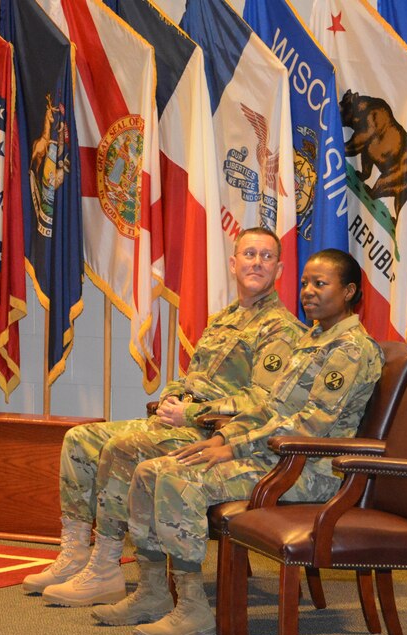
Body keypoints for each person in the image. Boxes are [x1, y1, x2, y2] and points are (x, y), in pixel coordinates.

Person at [89, 249, 384, 635]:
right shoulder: (312, 338)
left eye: (320, 284)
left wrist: (235, 448)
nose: (308, 292)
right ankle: (154, 593)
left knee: (180, 480)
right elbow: (268, 406)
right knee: (148, 472)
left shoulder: (350, 348)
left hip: (312, 470)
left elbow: (310, 425)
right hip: (274, 455)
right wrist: (223, 437)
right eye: (304, 283)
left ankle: (194, 611)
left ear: (349, 291)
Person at [25, 228, 305, 605]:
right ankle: (75, 553)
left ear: (280, 268)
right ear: (233, 262)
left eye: (266, 257)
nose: (257, 262)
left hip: (213, 436)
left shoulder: (280, 329)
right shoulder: (225, 319)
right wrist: (175, 393)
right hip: (182, 421)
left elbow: (261, 400)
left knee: (123, 448)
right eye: (249, 254)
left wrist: (190, 411)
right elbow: (196, 376)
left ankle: (106, 566)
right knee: (80, 438)